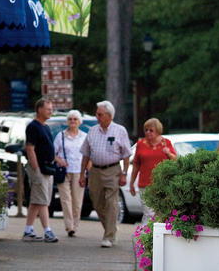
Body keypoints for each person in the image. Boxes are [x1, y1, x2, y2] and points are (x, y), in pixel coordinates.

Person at [79, 100, 131, 248]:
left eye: (100, 114)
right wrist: (82, 174)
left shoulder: (120, 130)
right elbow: (85, 155)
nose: (97, 116)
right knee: (97, 202)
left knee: (111, 203)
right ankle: (111, 228)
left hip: (113, 170)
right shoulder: (92, 130)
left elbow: (126, 155)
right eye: (97, 114)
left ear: (109, 115)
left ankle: (108, 236)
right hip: (94, 171)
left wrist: (124, 173)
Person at [22, 97, 59, 243]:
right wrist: (36, 169)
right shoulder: (33, 126)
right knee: (43, 200)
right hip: (38, 168)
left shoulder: (46, 127)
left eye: (51, 109)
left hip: (48, 168)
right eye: (48, 109)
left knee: (37, 201)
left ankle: (28, 230)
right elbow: (30, 149)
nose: (51, 111)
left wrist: (57, 160)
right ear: (39, 110)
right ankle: (47, 231)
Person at [129, 118, 176, 217]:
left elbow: (175, 160)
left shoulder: (166, 142)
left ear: (158, 130)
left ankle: (151, 232)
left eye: (151, 130)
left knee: (161, 213)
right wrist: (132, 183)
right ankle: (147, 232)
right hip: (145, 184)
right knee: (149, 214)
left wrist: (168, 153)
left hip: (162, 184)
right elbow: (136, 164)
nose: (148, 132)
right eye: (146, 130)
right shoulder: (141, 144)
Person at [53, 110, 86, 237]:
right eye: (70, 119)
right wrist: (59, 160)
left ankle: (75, 225)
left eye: (75, 119)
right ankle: (69, 226)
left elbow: (88, 155)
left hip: (79, 171)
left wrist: (86, 172)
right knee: (66, 199)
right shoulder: (60, 136)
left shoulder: (84, 136)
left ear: (79, 122)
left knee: (77, 201)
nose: (72, 121)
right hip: (64, 171)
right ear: (67, 121)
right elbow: (53, 153)